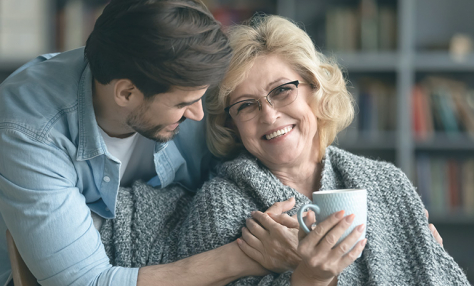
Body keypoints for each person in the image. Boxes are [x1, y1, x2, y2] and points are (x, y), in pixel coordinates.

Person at [100, 15, 468, 285]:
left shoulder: (386, 182)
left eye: (282, 90)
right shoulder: (222, 206)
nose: (270, 115)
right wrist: (311, 277)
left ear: (314, 87)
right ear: (232, 124)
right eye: (246, 105)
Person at [0, 0, 284, 285]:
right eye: (183, 104)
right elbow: (85, 281)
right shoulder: (28, 131)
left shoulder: (184, 77)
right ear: (126, 93)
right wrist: (244, 257)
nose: (199, 115)